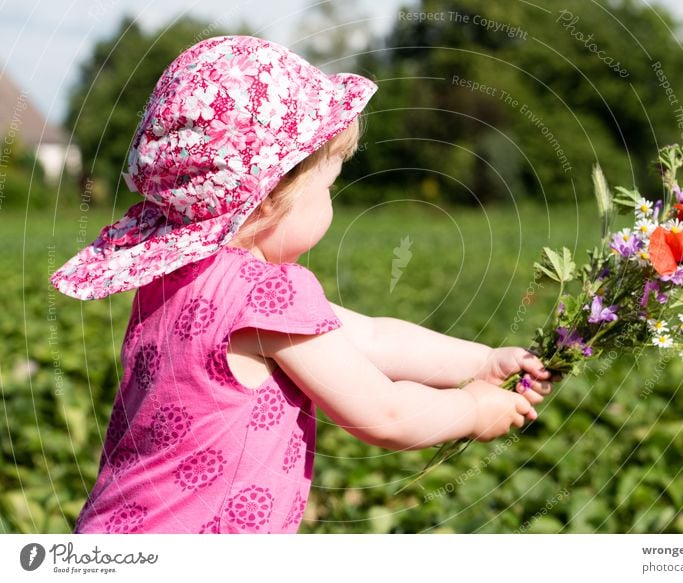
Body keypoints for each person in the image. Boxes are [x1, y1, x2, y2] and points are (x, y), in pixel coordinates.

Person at [51, 35, 553, 534]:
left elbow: (374, 338)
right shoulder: (270, 292)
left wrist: (481, 362)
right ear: (272, 198)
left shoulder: (172, 281)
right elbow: (387, 413)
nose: (332, 202)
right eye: (329, 186)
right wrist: (470, 409)